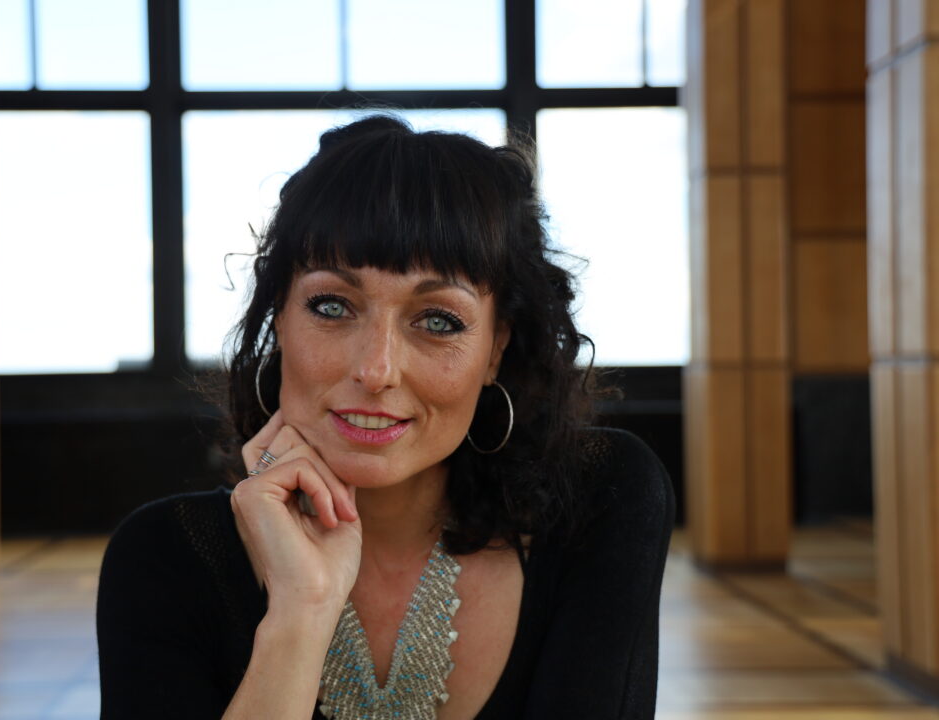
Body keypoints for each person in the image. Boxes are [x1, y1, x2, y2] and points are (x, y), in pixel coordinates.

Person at [96, 115, 674, 719]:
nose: (377, 370)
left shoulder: (598, 499)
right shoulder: (163, 558)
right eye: (332, 306)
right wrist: (301, 612)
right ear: (279, 320)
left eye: (438, 321)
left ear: (495, 349)